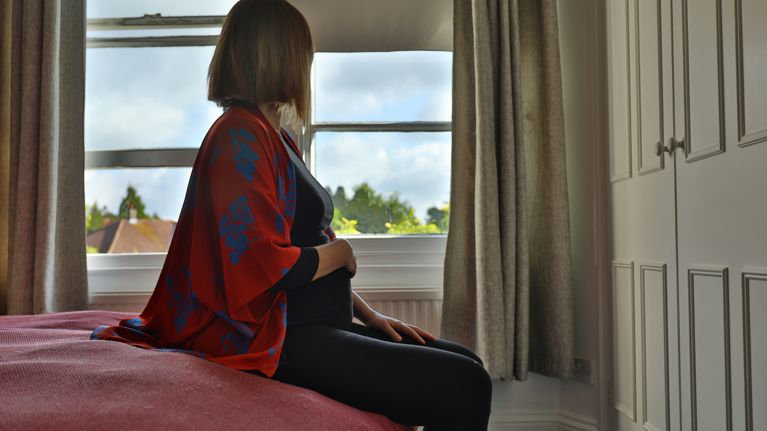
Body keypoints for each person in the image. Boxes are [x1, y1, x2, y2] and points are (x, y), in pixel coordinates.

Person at [90, 0, 492, 429]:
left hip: (316, 323)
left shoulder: (276, 137)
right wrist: (341, 254)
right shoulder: (237, 136)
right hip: (281, 338)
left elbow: (305, 243)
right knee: (464, 383)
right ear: (277, 57)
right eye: (304, 55)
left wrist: (368, 315)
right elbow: (260, 264)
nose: (308, 67)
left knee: (467, 362)